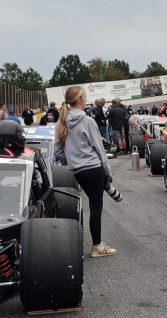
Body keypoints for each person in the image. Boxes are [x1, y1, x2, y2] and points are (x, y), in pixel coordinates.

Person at [53, 85, 117, 258]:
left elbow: (57, 150)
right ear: (80, 100)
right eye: (85, 97)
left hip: (77, 171)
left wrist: (71, 160)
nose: (86, 99)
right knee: (96, 207)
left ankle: (94, 244)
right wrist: (107, 171)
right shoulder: (87, 121)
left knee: (90, 205)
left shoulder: (61, 122)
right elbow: (99, 149)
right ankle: (97, 246)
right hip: (93, 167)